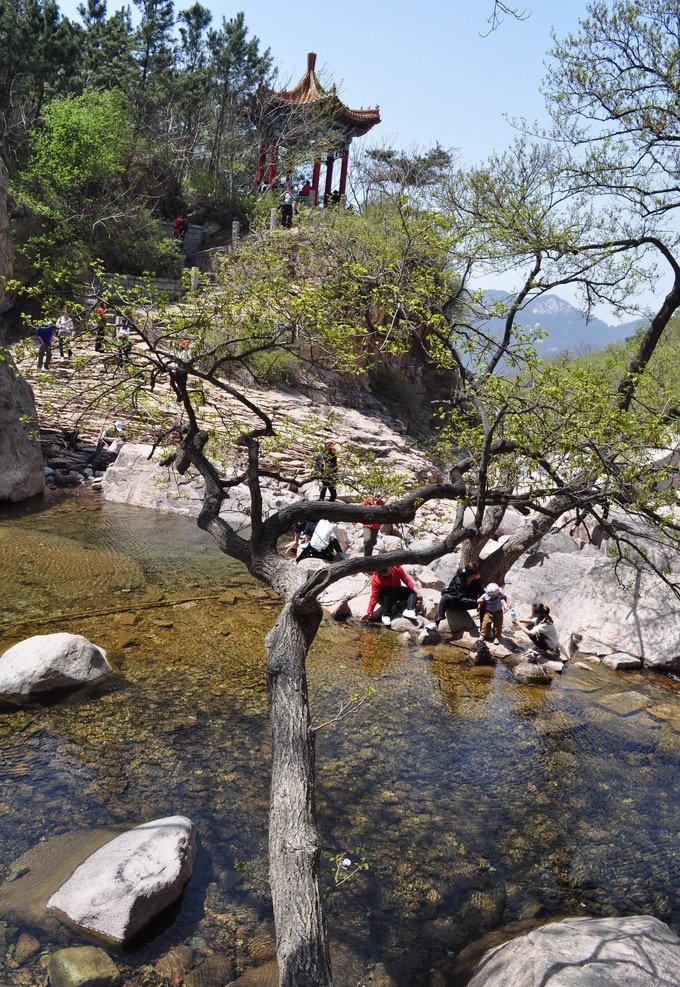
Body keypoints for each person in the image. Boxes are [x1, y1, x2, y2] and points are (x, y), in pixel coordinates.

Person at [436, 562, 484, 632]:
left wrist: (482, 599)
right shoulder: (458, 579)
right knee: (445, 598)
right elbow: (459, 598)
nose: (481, 574)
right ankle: (436, 622)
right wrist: (476, 601)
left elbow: (481, 592)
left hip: (467, 602)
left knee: (485, 601)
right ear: (474, 575)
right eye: (479, 572)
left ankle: (483, 627)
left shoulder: (476, 580)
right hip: (455, 602)